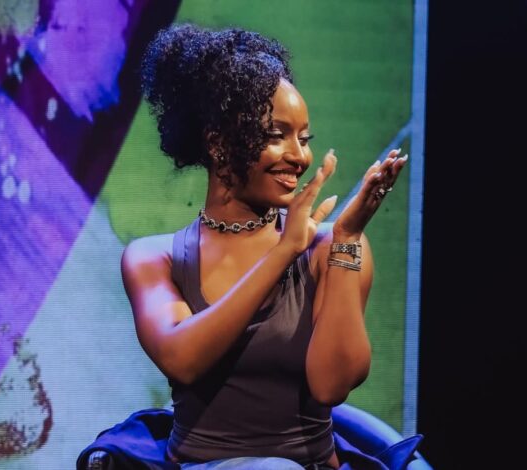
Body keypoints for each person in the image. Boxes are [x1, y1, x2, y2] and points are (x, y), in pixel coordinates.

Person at [121, 24, 407, 470]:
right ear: (218, 145)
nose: (300, 156)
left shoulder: (330, 249)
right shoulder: (155, 258)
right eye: (277, 135)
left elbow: (331, 386)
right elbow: (183, 359)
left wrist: (348, 240)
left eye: (304, 139)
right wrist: (281, 253)